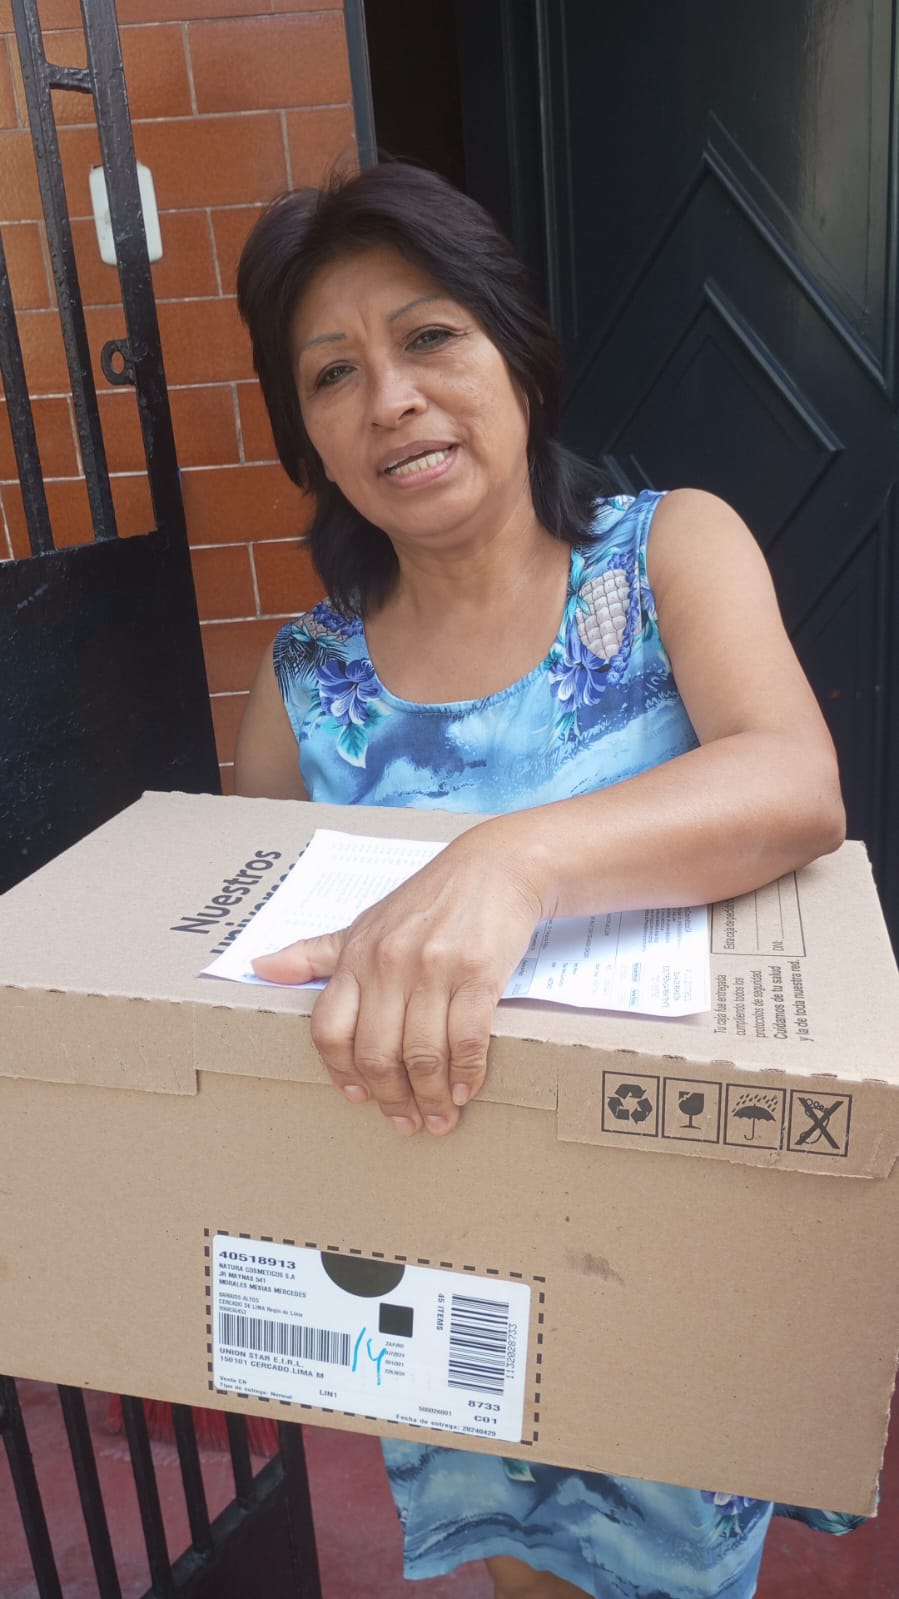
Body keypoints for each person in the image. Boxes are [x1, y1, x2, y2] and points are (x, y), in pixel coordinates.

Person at [233, 162, 861, 1599]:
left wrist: (508, 860)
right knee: (516, 1562)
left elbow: (794, 782)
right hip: (438, 1253)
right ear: (307, 436)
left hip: (669, 1225)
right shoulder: (303, 683)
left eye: (429, 337)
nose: (391, 399)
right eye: (333, 373)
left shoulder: (666, 553)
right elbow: (253, 964)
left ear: (516, 353)